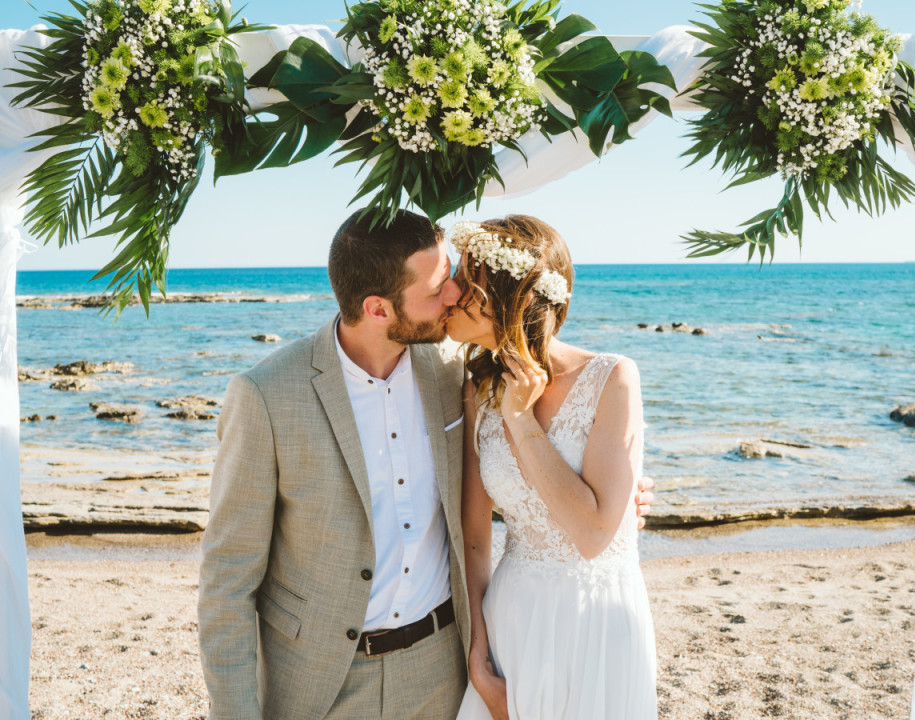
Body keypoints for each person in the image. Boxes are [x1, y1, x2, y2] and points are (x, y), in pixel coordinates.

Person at [198, 208, 469, 720]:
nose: (453, 294)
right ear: (378, 308)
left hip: (442, 670)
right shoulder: (265, 395)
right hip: (322, 682)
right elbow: (228, 576)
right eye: (436, 290)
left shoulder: (454, 371)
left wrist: (608, 486)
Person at [448, 215, 657, 720]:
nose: (451, 289)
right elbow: (474, 536)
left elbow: (591, 534)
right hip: (514, 616)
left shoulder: (612, 377)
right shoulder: (476, 389)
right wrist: (478, 648)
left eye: (465, 278)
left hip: (599, 622)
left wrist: (520, 417)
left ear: (505, 294)